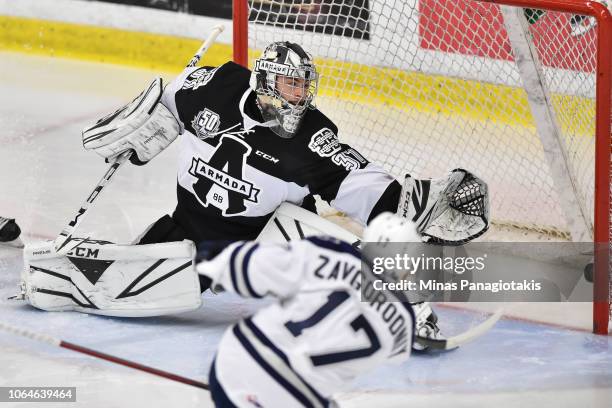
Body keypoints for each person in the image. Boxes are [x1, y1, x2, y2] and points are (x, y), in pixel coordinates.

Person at [79, 41, 489, 345]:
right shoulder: (214, 88)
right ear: (263, 82)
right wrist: (139, 125)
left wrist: (417, 211)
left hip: (268, 243)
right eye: (290, 84)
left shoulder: (311, 139)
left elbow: (362, 185)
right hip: (189, 230)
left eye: (304, 86)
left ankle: (409, 308)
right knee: (126, 290)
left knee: (339, 293)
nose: (300, 95)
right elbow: (166, 101)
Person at [196, 212, 417, 408]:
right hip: (296, 397)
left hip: (240, 361)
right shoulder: (405, 323)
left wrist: (218, 259)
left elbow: (254, 266)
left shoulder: (332, 253)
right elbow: (394, 356)